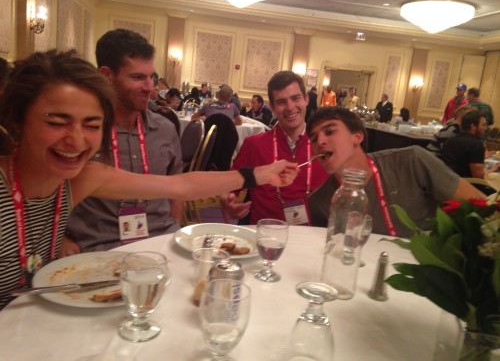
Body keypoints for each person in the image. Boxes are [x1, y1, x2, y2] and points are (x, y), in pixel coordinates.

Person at [0, 49, 298, 310]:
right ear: (17, 119)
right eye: (56, 122)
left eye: (91, 125)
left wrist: (261, 174)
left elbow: (180, 185)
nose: (76, 140)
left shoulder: (81, 179)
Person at [60, 29, 183, 256]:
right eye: (137, 77)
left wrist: (174, 226)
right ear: (106, 75)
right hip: (97, 248)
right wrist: (61, 237)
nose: (150, 88)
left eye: (151, 77)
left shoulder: (165, 130)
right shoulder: (83, 132)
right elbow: (47, 189)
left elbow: (177, 186)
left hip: (160, 242)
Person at [306, 106, 484, 238]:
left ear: (357, 137)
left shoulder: (412, 161)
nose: (320, 140)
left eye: (330, 131)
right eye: (313, 138)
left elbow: (484, 207)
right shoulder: (320, 203)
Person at [221, 71, 329, 225]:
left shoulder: (325, 147)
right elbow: (228, 188)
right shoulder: (254, 145)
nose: (290, 107)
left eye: (295, 98)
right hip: (265, 239)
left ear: (306, 99)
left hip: (313, 240)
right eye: (281, 102)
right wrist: (228, 202)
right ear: (272, 107)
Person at [441, 109, 490, 178]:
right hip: (467, 185)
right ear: (473, 126)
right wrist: (494, 170)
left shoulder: (450, 140)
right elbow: (478, 176)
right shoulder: (476, 145)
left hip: (448, 182)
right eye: (483, 125)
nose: (485, 128)